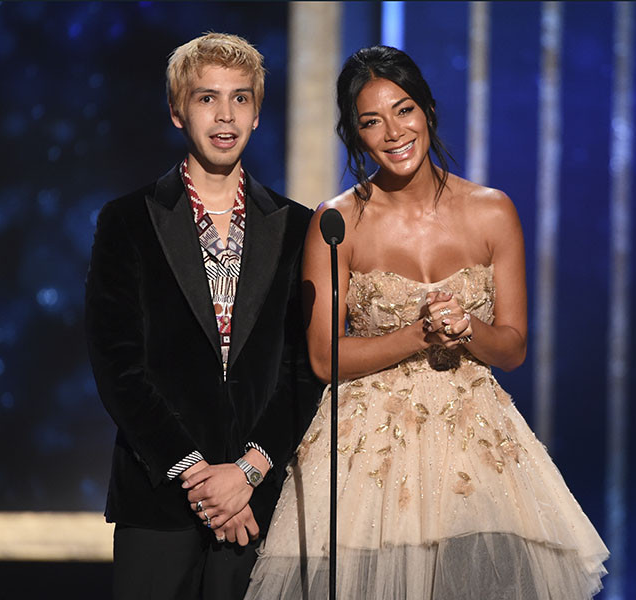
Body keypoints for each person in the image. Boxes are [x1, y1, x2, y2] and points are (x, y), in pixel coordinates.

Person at [245, 45, 609, 599]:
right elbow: (323, 357)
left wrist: (469, 330)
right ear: (355, 135)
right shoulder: (336, 220)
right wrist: (418, 334)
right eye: (372, 121)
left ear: (429, 111)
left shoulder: (493, 211)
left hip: (475, 450)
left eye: (404, 109)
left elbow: (512, 347)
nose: (393, 132)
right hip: (365, 457)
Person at [85, 32, 322, 600]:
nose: (225, 115)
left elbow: (305, 366)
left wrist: (246, 474)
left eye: (240, 98)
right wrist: (199, 478)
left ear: (258, 113)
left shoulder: (297, 227)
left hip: (258, 502)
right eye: (206, 98)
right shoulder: (128, 221)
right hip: (159, 497)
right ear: (176, 111)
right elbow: (119, 368)